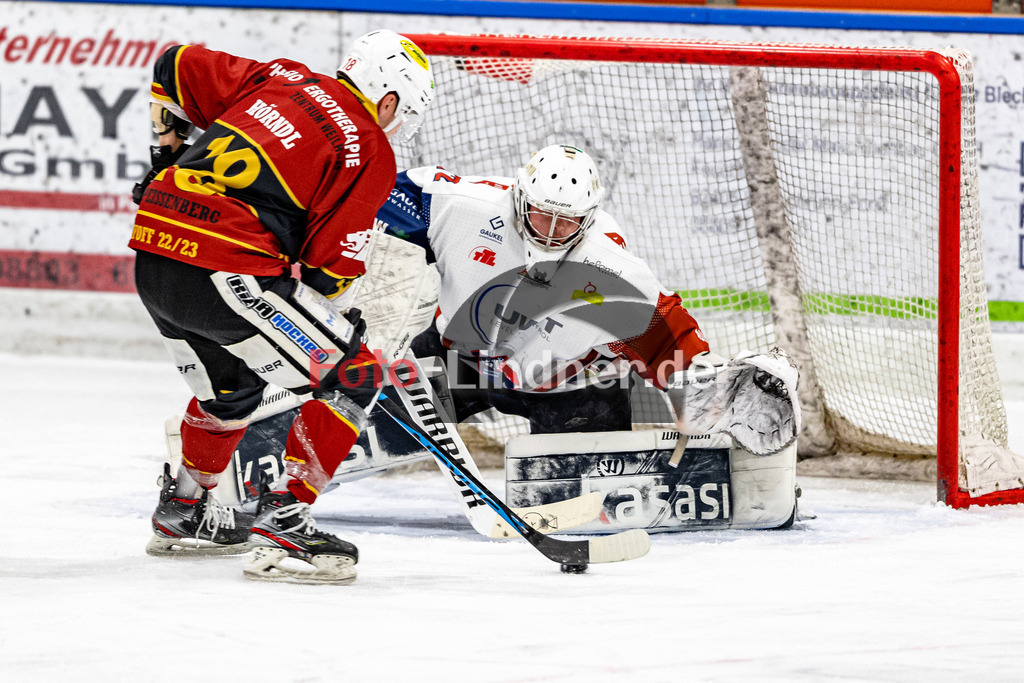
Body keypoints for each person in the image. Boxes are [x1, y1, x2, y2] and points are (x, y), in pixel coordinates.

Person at [131, 29, 434, 584]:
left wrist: (162, 163)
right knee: (355, 373)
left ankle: (182, 513)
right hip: (224, 268)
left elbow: (172, 65)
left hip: (153, 259)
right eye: (403, 111)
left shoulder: (280, 77)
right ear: (386, 100)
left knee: (232, 392)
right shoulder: (368, 144)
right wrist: (339, 319)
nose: (399, 123)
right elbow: (328, 272)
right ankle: (286, 520)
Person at [375, 144, 713, 434]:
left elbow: (667, 337)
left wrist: (705, 391)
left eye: (567, 220)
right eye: (542, 214)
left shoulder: (610, 264)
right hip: (460, 362)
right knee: (368, 422)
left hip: (569, 385)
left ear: (589, 218)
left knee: (589, 483)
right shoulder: (466, 207)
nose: (552, 231)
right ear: (519, 198)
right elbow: (389, 195)